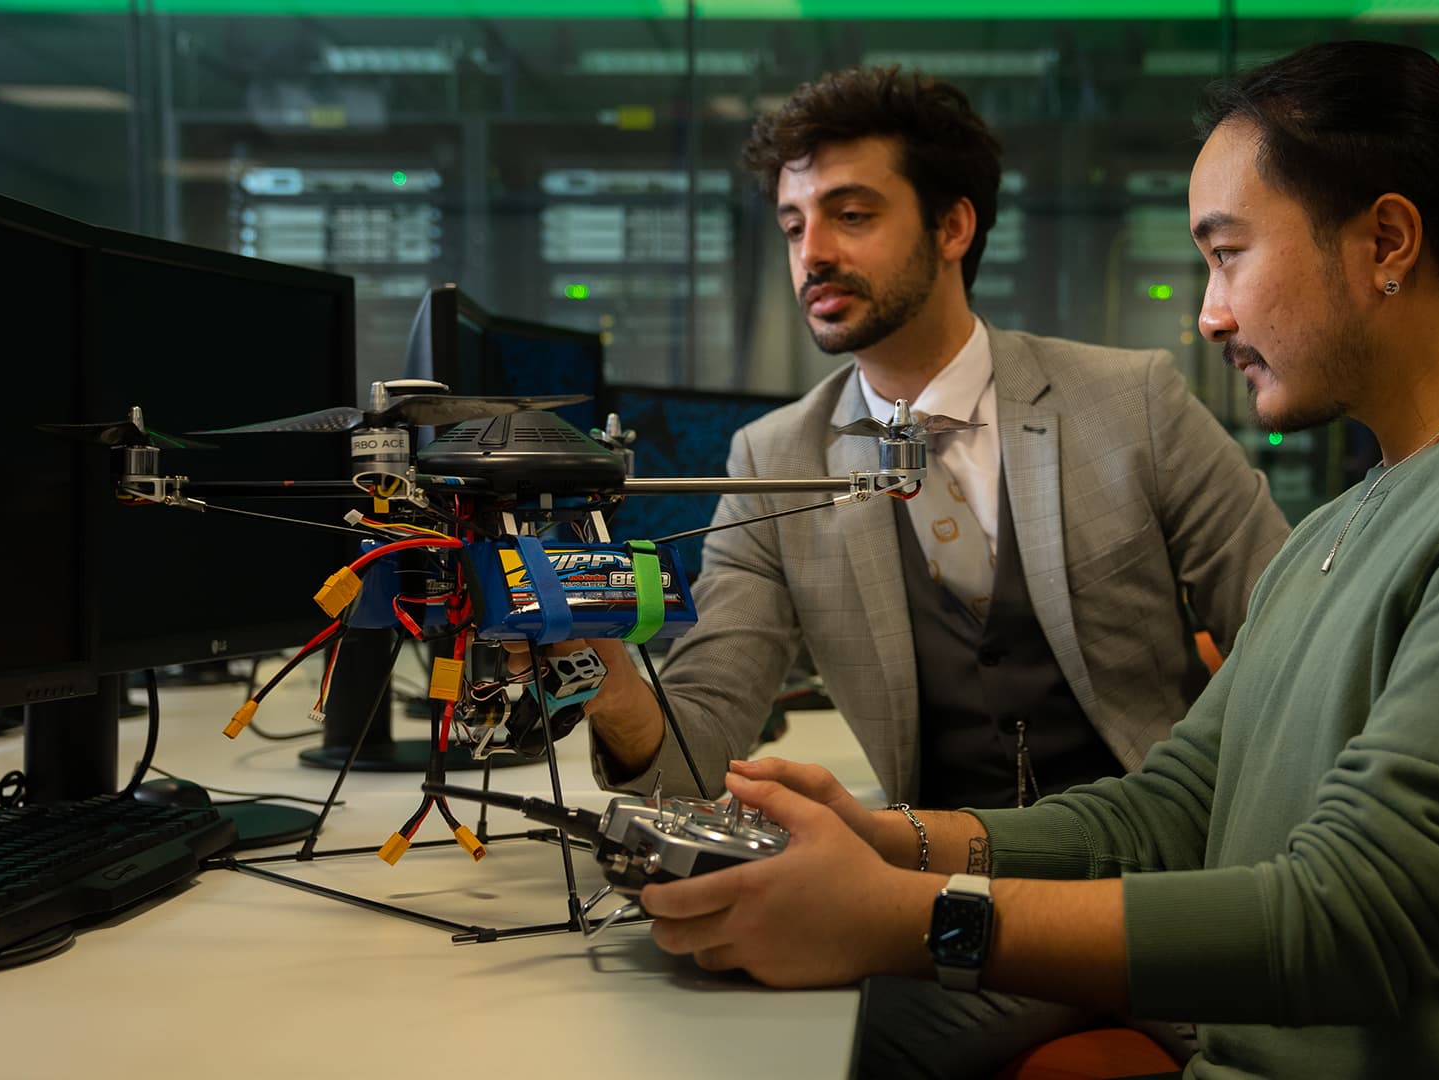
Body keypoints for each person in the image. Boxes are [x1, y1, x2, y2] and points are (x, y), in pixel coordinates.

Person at [634, 41, 1439, 1080]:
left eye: (1229, 251)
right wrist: (895, 841)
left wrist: (913, 917)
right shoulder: (1353, 520)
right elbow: (1172, 811)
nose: (1209, 314)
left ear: (1387, 242)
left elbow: (1361, 920)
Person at [547, 66, 1289, 813]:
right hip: (932, 877)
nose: (813, 255)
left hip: (1159, 866)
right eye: (794, 225)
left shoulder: (1135, 401)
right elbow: (694, 755)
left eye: (853, 215)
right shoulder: (775, 461)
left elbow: (1296, 639)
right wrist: (611, 685)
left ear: (953, 228)